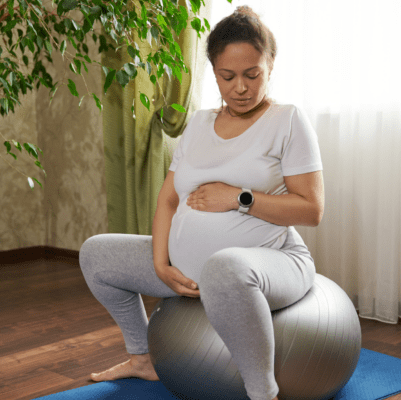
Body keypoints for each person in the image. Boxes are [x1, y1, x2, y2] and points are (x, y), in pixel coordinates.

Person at [79, 6, 324, 400]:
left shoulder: (288, 121)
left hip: (270, 261)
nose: (240, 87)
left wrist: (238, 198)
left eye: (251, 74)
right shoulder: (198, 124)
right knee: (96, 255)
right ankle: (142, 358)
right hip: (188, 271)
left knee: (224, 268)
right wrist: (162, 264)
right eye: (227, 77)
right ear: (213, 71)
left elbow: (311, 210)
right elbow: (168, 199)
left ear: (271, 65)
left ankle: (264, 393)